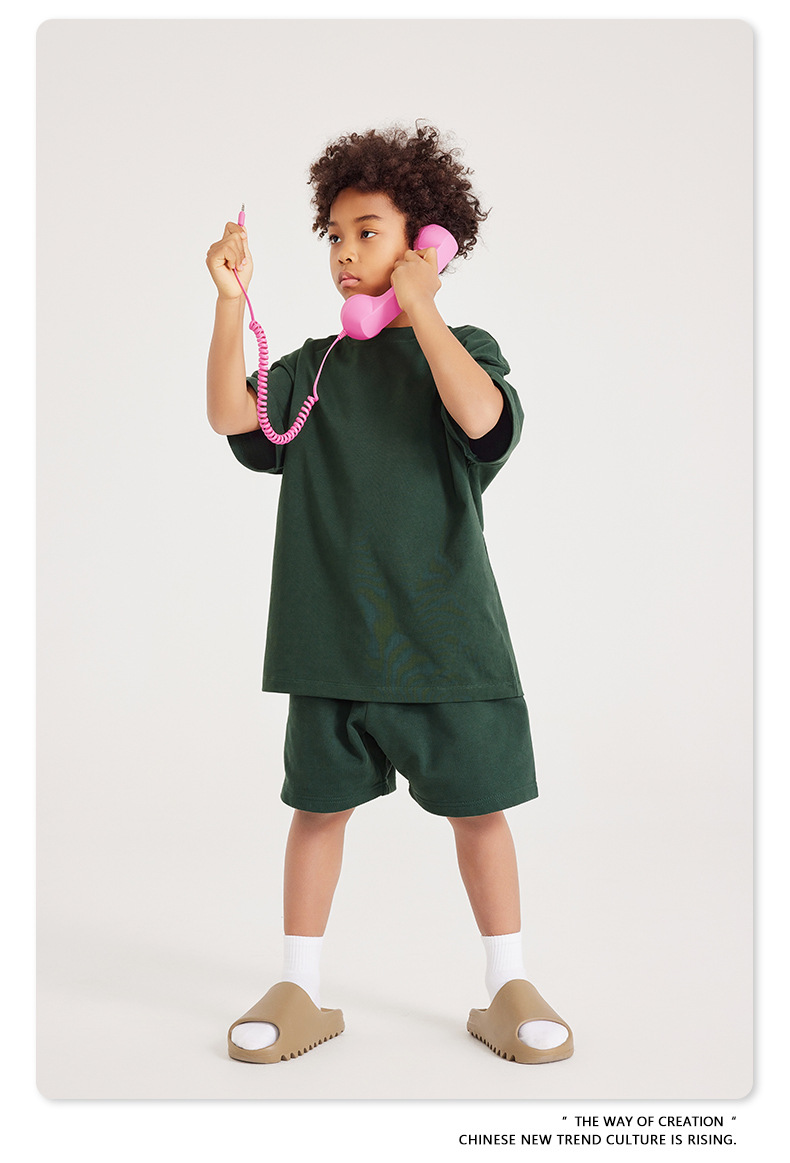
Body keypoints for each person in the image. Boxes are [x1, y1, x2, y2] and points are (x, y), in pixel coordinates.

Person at [205, 123, 572, 1066]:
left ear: (424, 242)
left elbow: (484, 420)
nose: (343, 252)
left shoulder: (465, 349)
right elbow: (232, 413)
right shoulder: (315, 365)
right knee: (316, 812)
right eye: (333, 235)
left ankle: (508, 981)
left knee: (479, 813)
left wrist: (424, 308)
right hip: (330, 643)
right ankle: (299, 983)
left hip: (446, 644)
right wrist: (230, 302)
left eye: (366, 232)